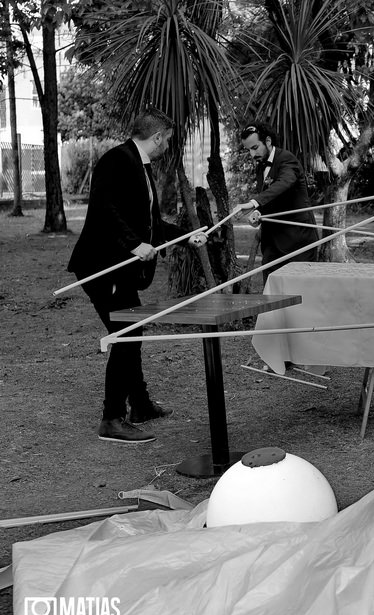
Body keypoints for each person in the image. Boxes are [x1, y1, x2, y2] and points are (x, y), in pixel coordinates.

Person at [68, 108, 208, 444]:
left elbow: (150, 223)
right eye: (167, 140)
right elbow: (104, 208)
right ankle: (112, 418)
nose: (166, 147)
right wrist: (133, 245)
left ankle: (140, 404)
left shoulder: (140, 165)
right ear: (158, 137)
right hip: (103, 267)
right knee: (126, 334)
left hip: (121, 266)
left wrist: (186, 236)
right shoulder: (117, 160)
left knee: (132, 331)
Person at [231, 123, 319, 283]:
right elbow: (271, 196)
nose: (252, 154)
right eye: (249, 150)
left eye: (255, 147)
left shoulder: (286, 159)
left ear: (268, 141)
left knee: (300, 295)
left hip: (298, 243)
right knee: (272, 295)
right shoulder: (261, 165)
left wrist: (253, 202)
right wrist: (258, 213)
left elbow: (284, 183)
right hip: (272, 245)